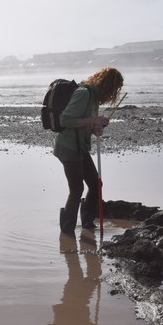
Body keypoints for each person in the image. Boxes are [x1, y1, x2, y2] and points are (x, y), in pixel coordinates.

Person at [53, 67, 124, 236]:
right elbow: (65, 120)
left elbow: (82, 122)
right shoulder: (84, 93)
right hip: (68, 147)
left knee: (95, 184)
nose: (115, 93)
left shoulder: (93, 97)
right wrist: (94, 120)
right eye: (115, 89)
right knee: (76, 189)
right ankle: (67, 232)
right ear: (108, 85)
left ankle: (87, 224)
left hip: (80, 146)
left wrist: (95, 128)